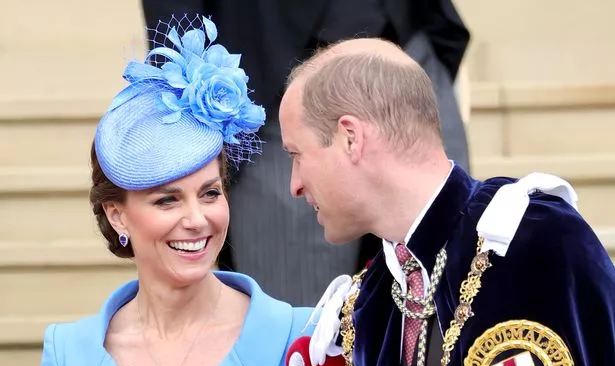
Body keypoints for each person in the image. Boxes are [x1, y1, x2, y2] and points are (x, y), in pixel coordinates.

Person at [279, 38, 615, 366]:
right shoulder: (366, 304)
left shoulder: (534, 239)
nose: (294, 185)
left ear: (350, 138)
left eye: (296, 154)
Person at [39, 16, 312, 366]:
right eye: (167, 200)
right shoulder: (68, 358)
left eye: (210, 193)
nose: (197, 220)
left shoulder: (299, 337)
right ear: (117, 215)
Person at [140, 0, 471, 306]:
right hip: (269, 68)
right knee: (301, 325)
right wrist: (189, 107)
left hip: (409, 46)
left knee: (456, 295)